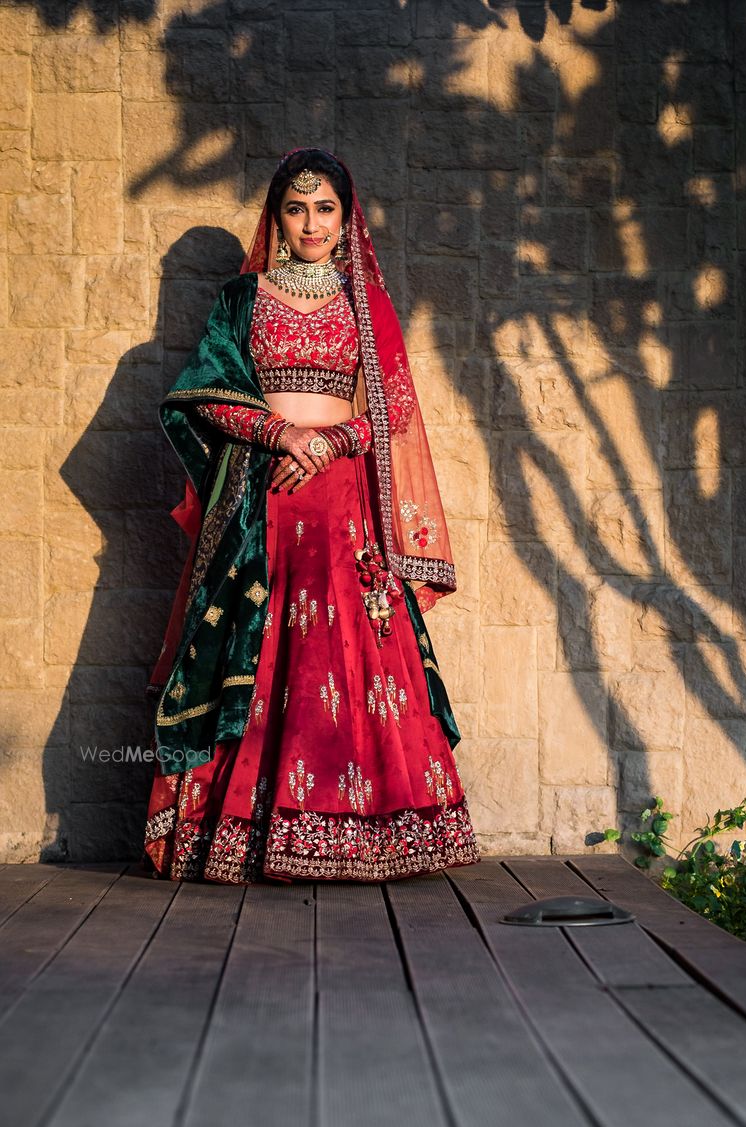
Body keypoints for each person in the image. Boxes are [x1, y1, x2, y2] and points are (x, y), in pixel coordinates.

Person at [143, 147, 482, 883]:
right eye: (296, 208)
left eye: (325, 208)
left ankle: (371, 836)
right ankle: (240, 837)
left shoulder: (367, 303)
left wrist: (327, 441)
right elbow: (204, 390)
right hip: (259, 502)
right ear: (277, 216)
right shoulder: (242, 299)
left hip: (341, 510)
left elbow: (391, 412)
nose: (311, 222)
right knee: (257, 650)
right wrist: (280, 434)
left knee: (346, 656)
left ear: (345, 217)